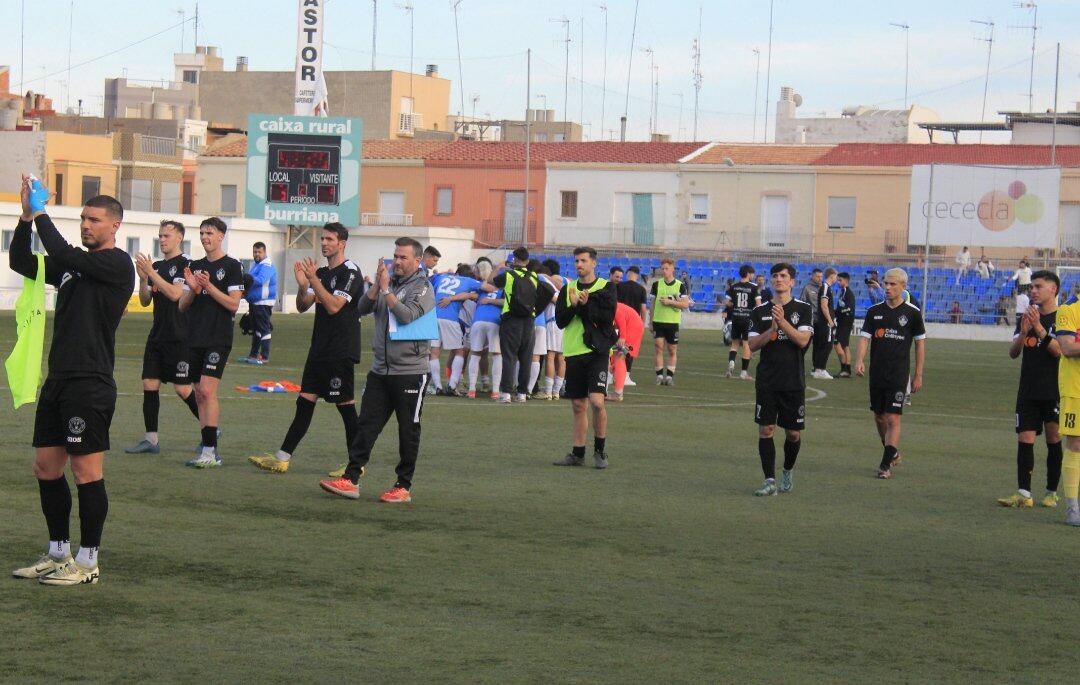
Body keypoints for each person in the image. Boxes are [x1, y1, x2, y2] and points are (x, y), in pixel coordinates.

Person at [10, 175, 134, 586]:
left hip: (90, 382)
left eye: (94, 220)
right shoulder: (72, 267)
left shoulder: (115, 264)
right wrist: (26, 217)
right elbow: (21, 262)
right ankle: (58, 552)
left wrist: (43, 212)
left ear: (115, 225)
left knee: (86, 472)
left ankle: (88, 561)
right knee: (46, 467)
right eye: (82, 218)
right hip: (59, 381)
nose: (86, 225)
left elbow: (64, 252)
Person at [319, 237, 436, 502]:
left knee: (408, 429)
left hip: (410, 371)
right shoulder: (388, 281)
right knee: (366, 425)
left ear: (417, 261)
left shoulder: (423, 287)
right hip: (381, 370)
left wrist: (386, 291)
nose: (397, 261)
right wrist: (376, 287)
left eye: (403, 257)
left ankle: (403, 486)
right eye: (395, 256)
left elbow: (407, 316)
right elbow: (361, 307)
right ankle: (350, 479)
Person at [248, 223, 364, 474]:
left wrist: (313, 281)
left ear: (342, 243)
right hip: (320, 348)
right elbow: (303, 306)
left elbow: (334, 306)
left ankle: (357, 464)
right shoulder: (321, 272)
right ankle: (282, 457)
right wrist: (303, 286)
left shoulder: (350, 272)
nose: (324, 243)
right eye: (322, 239)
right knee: (304, 402)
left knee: (345, 406)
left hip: (340, 350)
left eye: (329, 239)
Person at [125, 220, 201, 454]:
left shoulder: (186, 264)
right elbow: (146, 300)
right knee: (149, 384)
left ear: (179, 237)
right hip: (157, 335)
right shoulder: (156, 266)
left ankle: (210, 427)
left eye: (167, 235)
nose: (162, 239)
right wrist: (143, 278)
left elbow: (175, 294)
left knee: (182, 389)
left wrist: (151, 273)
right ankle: (151, 440)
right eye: (160, 235)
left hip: (180, 337)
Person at [178, 217, 245, 468]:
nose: (205, 237)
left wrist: (209, 286)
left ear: (221, 236)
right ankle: (208, 450)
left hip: (218, 337)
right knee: (199, 394)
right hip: (194, 336)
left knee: (207, 391)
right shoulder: (194, 266)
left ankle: (209, 451)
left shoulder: (232, 266)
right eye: (202, 232)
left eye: (210, 233)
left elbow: (233, 304)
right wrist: (194, 290)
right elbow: (182, 306)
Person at [747, 263, 814, 496]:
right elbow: (753, 345)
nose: (778, 280)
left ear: (792, 282)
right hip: (767, 380)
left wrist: (783, 322)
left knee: (793, 433)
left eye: (783, 276)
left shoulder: (803, 309)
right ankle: (769, 480)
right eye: (775, 276)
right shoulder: (759, 311)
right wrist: (772, 329)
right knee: (766, 429)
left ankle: (787, 469)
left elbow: (803, 340)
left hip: (793, 380)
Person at [998, 271, 1063, 509]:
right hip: (1028, 388)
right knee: (1025, 438)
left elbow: (1058, 352)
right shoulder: (1026, 317)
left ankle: (1051, 492)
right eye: (1031, 287)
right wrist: (1025, 332)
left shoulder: (1063, 317)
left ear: (1053, 289)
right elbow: (1014, 353)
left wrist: (1039, 328)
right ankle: (1024, 493)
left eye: (1038, 286)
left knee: (1054, 438)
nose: (1033, 291)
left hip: (1054, 388)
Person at [855, 268, 926, 479]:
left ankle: (885, 465)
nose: (887, 287)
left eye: (892, 284)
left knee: (893, 418)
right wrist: (859, 360)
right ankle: (891, 450)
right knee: (879, 417)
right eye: (886, 283)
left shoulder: (913, 313)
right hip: (877, 373)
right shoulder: (874, 311)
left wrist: (918, 374)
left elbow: (920, 345)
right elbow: (865, 338)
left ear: (903, 286)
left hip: (899, 374)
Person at [553, 247, 618, 469]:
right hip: (573, 352)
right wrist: (573, 305)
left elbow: (606, 317)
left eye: (583, 260)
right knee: (578, 405)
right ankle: (577, 453)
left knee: (597, 402)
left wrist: (584, 304)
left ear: (593, 264)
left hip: (597, 351)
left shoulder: (606, 287)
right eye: (576, 261)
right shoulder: (568, 289)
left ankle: (600, 451)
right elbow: (561, 321)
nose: (579, 264)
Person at [492, 247, 551, 403]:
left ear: (515, 259)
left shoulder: (509, 275)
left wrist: (499, 267)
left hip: (511, 319)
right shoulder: (533, 276)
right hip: (529, 320)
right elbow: (549, 291)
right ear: (528, 261)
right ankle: (522, 394)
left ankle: (506, 393)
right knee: (526, 358)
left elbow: (492, 281)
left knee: (509, 356)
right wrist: (536, 310)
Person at [429, 264, 485, 395]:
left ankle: (437, 386)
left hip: (434, 317)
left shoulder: (441, 277)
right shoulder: (468, 282)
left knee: (434, 352)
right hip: (451, 318)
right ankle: (452, 384)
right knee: (460, 351)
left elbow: (428, 279)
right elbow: (487, 288)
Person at [1052, 288, 1080, 526]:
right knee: (1076, 443)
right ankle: (1072, 508)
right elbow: (1068, 348)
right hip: (1076, 389)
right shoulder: (1068, 309)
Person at [651, 257, 690, 386]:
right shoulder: (656, 284)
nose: (664, 271)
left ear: (673, 269)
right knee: (658, 348)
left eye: (666, 268)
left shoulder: (680, 285)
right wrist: (650, 322)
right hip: (658, 321)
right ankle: (659, 376)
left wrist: (670, 302)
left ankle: (669, 376)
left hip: (672, 322)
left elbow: (685, 304)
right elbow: (652, 304)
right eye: (662, 269)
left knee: (672, 349)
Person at [241, 241, 277, 364]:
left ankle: (264, 357)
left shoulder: (266, 265)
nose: (256, 254)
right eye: (255, 252)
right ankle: (253, 355)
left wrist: (247, 278)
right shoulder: (257, 265)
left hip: (263, 302)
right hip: (255, 302)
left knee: (263, 329)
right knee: (256, 329)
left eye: (259, 252)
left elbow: (260, 280)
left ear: (265, 252)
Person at [724, 265, 760, 380]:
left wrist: (735, 305)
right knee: (746, 344)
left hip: (736, 317)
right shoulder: (754, 287)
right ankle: (743, 372)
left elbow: (727, 302)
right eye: (752, 273)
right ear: (748, 273)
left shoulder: (733, 286)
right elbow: (759, 305)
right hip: (747, 319)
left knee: (734, 343)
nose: (753, 275)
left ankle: (731, 362)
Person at [616, 265, 649, 386]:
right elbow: (643, 309)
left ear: (627, 273)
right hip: (633, 322)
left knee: (616, 348)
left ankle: (614, 374)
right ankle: (625, 376)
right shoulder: (641, 289)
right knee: (629, 350)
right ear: (638, 275)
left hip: (618, 321)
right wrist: (643, 323)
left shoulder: (619, 286)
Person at [608, 301, 645, 402]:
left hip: (632, 327)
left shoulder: (607, 304)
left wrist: (623, 337)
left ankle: (618, 393)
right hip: (631, 325)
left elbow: (618, 315)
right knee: (617, 356)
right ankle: (618, 391)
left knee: (619, 356)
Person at [541, 258, 567, 398]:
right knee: (562, 358)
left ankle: (549, 391)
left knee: (550, 356)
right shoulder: (567, 281)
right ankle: (557, 391)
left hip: (553, 322)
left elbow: (555, 299)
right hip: (565, 324)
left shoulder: (547, 283)